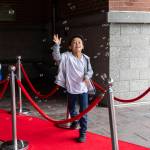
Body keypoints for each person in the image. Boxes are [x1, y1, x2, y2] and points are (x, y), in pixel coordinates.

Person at [51, 34, 94, 143]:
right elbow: (57, 57)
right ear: (70, 47)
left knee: (84, 112)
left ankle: (83, 133)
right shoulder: (66, 56)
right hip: (71, 89)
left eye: (79, 42)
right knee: (72, 108)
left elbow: (90, 71)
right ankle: (75, 120)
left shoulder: (86, 58)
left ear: (83, 46)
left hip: (83, 89)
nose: (77, 44)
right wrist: (57, 46)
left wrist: (87, 76)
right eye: (74, 42)